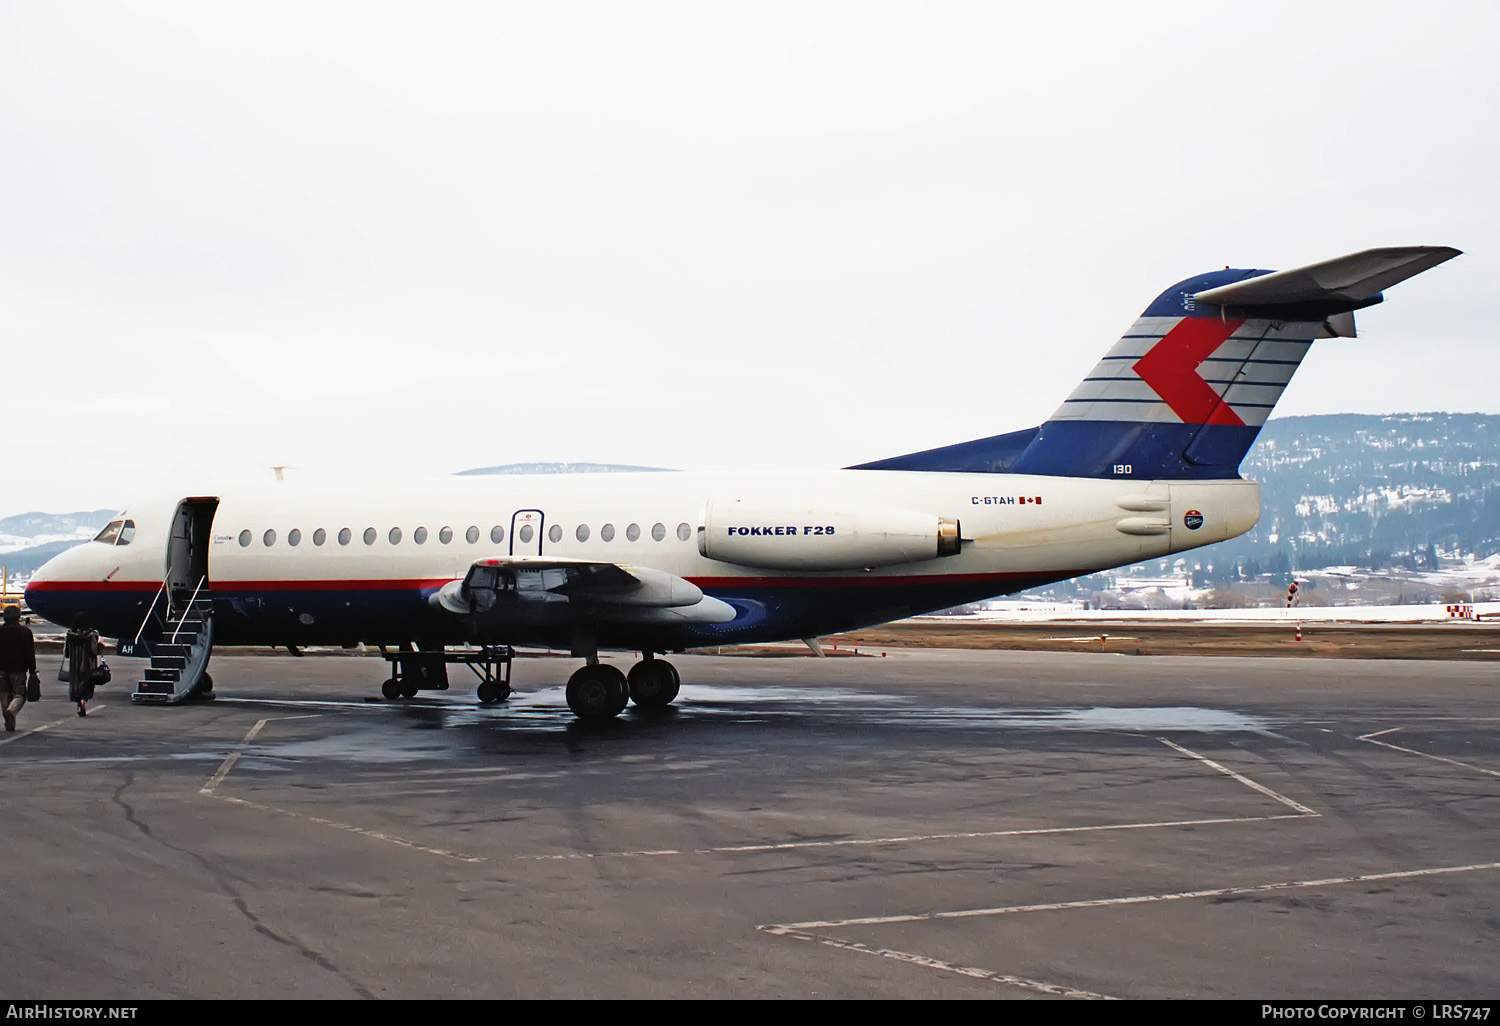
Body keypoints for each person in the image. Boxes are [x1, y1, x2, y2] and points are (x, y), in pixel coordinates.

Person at [0, 604, 38, 732]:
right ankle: (11, 711)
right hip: (18, 669)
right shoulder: (25, 632)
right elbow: (29, 652)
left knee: (4, 693)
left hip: (1, 669)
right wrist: (32, 669)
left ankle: (9, 719)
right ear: (18, 617)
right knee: (19, 695)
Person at [65, 613, 101, 718]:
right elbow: (94, 650)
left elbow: (67, 653)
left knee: (77, 686)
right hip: (88, 664)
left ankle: (78, 703)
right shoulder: (92, 634)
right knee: (87, 685)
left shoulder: (70, 634)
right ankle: (83, 700)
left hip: (75, 664)